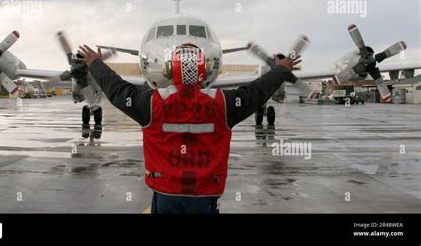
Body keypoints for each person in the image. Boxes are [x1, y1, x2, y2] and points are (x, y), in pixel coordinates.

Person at [77, 43, 300, 214]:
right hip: (205, 195)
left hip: (165, 194)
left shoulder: (151, 104)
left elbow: (117, 90)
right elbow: (257, 92)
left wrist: (95, 63)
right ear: (206, 70)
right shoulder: (224, 104)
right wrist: (280, 70)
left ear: (169, 70)